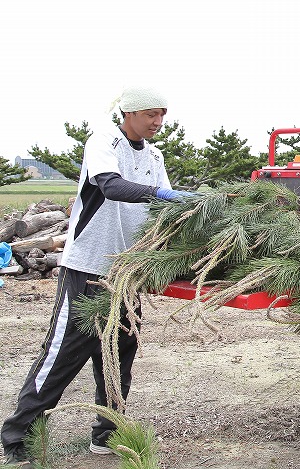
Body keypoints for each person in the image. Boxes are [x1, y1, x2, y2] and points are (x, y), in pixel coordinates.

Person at [2, 86, 190, 467]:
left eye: (163, 116)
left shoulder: (154, 155)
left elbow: (162, 208)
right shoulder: (104, 141)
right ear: (129, 114)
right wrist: (162, 194)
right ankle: (17, 437)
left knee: (119, 354)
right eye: (151, 114)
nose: (158, 123)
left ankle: (107, 434)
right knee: (64, 353)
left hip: (126, 271)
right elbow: (110, 185)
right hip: (88, 265)